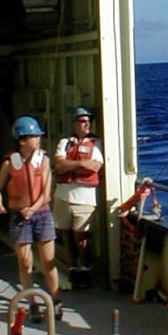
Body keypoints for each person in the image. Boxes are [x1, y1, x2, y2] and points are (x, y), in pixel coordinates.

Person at [0, 115, 62, 322]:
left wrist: (33, 208)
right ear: (22, 140)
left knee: (49, 262)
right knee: (25, 263)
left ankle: (56, 300)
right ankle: (33, 303)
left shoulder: (44, 159)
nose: (39, 139)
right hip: (19, 216)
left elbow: (47, 192)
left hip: (41, 214)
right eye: (34, 136)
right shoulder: (9, 162)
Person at [54, 106, 103, 289]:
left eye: (89, 121)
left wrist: (71, 165)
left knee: (80, 236)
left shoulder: (96, 143)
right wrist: (82, 163)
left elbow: (95, 167)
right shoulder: (65, 142)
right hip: (62, 195)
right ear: (75, 123)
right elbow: (58, 166)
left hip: (85, 197)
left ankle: (86, 269)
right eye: (83, 121)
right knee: (65, 232)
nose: (87, 124)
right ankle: (73, 269)